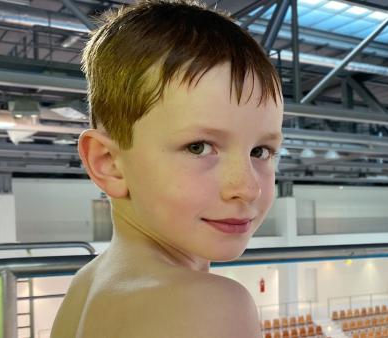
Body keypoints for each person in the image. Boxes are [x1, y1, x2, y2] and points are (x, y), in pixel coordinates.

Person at [50, 0, 283, 337]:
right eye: (198, 147)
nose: (248, 188)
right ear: (109, 164)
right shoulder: (210, 305)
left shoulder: (86, 284)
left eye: (261, 151)